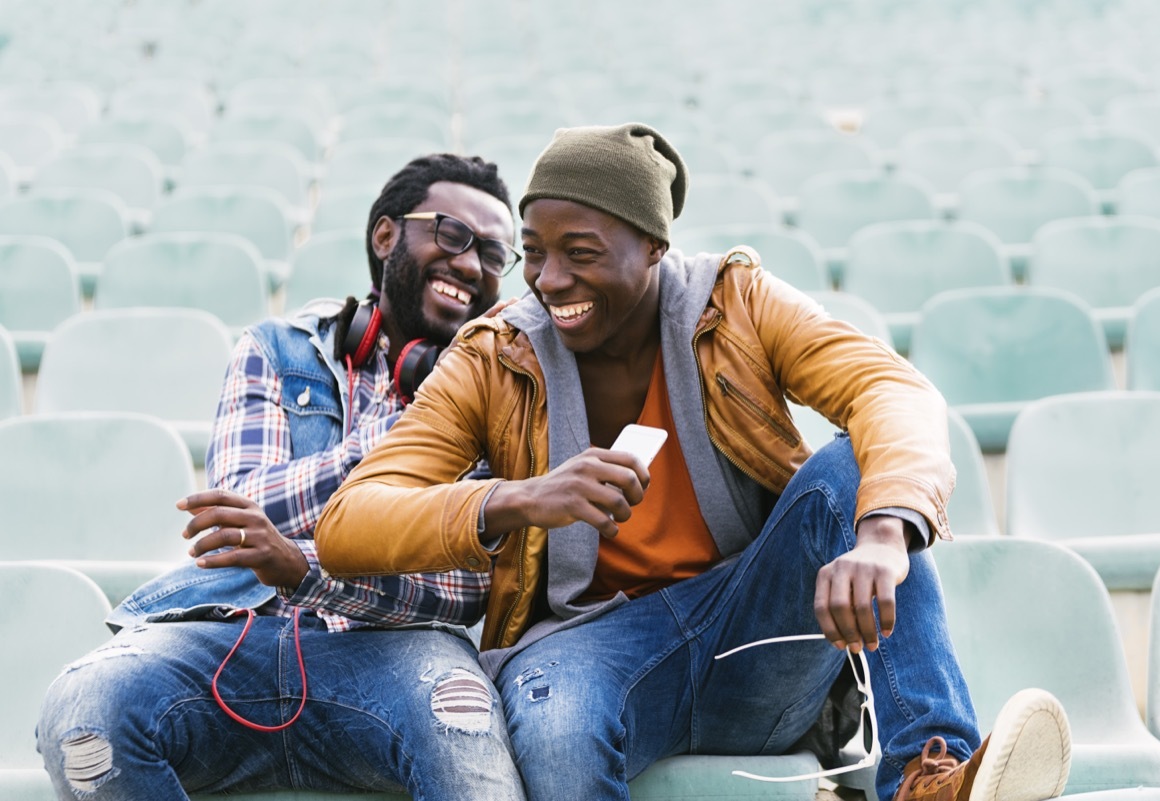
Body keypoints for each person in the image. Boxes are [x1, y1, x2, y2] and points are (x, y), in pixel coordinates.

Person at [312, 124, 1073, 801]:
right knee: (553, 730)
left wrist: (881, 534)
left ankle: (926, 774)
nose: (548, 282)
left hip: (753, 625)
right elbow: (349, 521)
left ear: (653, 247)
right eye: (535, 255)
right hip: (583, 649)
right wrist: (520, 498)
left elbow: (889, 387)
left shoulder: (735, 303)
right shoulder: (495, 352)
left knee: (849, 474)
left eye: (581, 254)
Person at [36, 154, 526, 801]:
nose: (471, 263)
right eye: (453, 234)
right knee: (85, 716)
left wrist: (300, 561)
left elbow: (463, 582)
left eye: (494, 254)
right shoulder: (276, 346)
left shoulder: (501, 389)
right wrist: (411, 451)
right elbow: (236, 510)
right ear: (385, 236)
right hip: (226, 624)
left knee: (464, 723)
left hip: (399, 652)